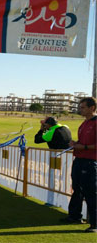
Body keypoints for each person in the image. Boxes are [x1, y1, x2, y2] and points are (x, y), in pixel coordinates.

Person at [61, 97, 97, 233]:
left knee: (91, 193)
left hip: (90, 162)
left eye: (83, 107)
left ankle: (95, 224)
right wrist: (75, 144)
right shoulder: (84, 123)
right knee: (76, 189)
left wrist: (84, 147)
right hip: (79, 160)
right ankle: (74, 216)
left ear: (92, 108)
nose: (80, 110)